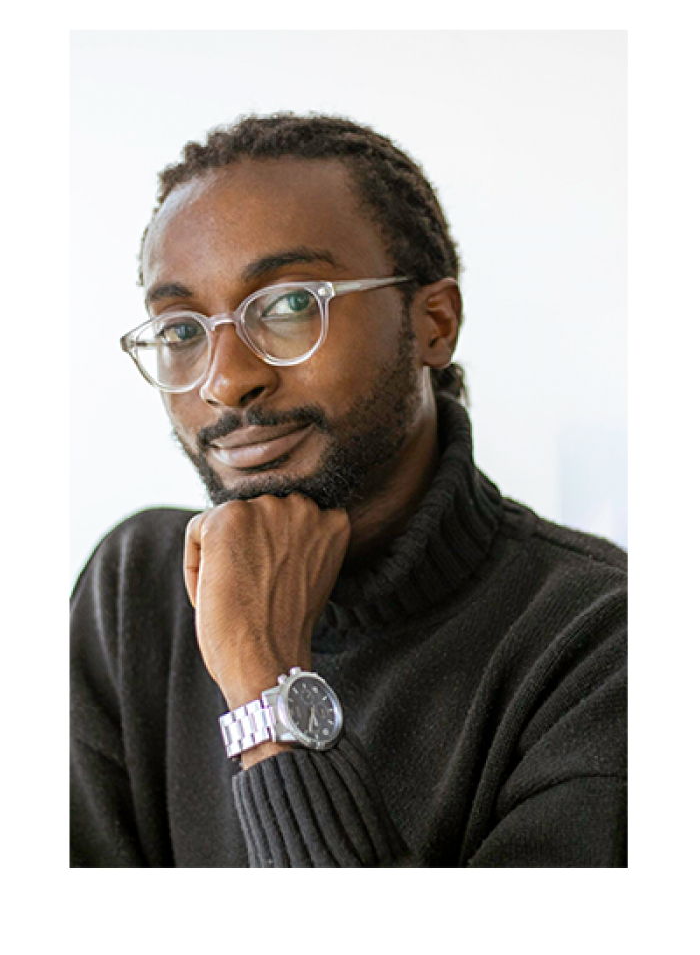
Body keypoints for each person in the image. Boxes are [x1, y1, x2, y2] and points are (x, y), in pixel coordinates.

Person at [69, 114, 628, 868]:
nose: (229, 380)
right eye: (181, 330)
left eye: (292, 305)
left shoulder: (596, 645)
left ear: (434, 324)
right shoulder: (135, 589)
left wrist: (266, 688)